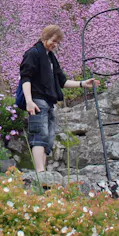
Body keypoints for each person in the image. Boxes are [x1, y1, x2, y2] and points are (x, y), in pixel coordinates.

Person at [19, 25, 96, 174]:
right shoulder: (33, 54)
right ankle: (40, 172)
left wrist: (82, 84)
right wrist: (29, 100)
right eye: (54, 41)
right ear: (45, 37)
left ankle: (43, 171)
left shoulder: (50, 58)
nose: (55, 44)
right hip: (37, 99)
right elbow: (26, 78)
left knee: (48, 138)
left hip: (49, 102)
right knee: (39, 135)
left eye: (58, 42)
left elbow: (62, 82)